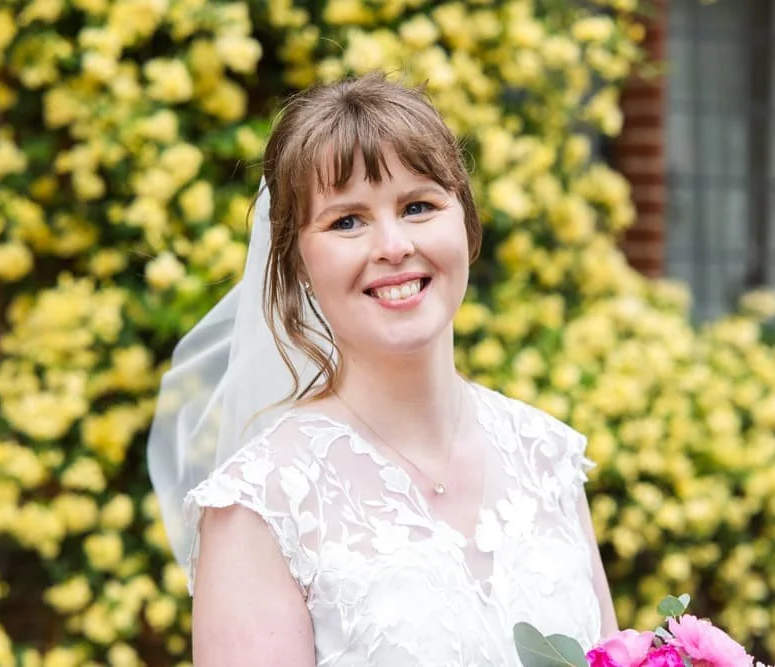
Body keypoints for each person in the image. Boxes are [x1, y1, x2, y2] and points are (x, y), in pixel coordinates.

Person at [147, 71, 618, 666]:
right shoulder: (261, 508)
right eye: (347, 221)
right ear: (297, 263)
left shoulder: (546, 456)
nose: (392, 245)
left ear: (465, 223)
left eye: (418, 206)